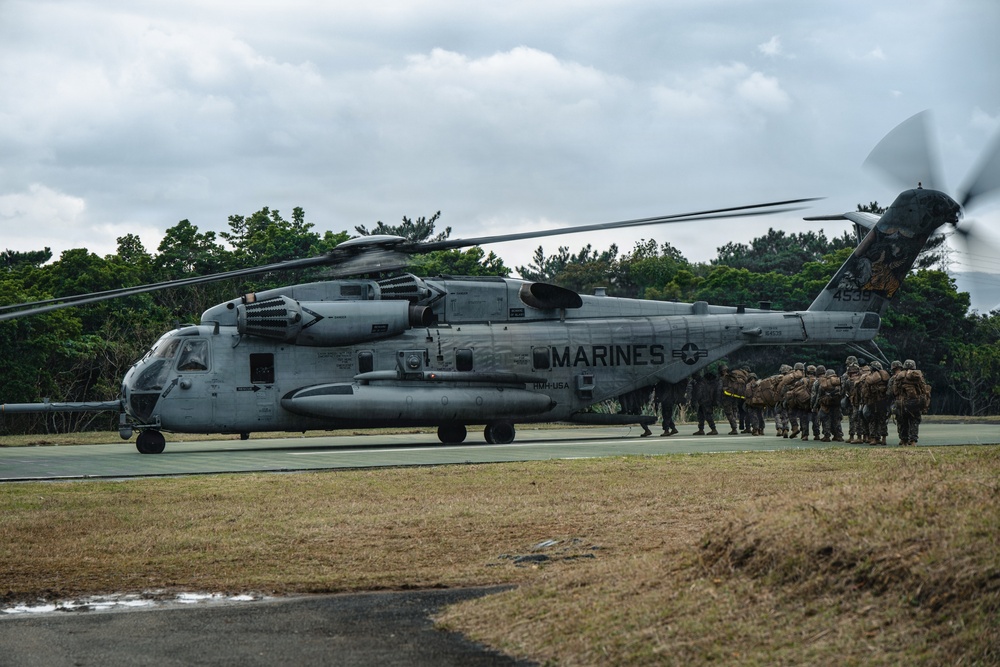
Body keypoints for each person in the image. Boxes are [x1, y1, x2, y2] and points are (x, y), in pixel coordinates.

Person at [891, 359, 931, 446]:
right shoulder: (917, 376)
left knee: (903, 422)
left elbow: (895, 391)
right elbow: (924, 389)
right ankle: (913, 441)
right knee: (914, 421)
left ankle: (904, 440)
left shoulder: (898, 377)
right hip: (915, 402)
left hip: (902, 403)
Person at [861, 360, 890, 445]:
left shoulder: (869, 377)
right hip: (882, 402)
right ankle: (883, 438)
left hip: (872, 401)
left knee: (872, 420)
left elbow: (864, 391)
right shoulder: (885, 377)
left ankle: (874, 438)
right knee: (882, 420)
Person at [812, 368, 844, 442]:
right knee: (837, 420)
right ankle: (838, 436)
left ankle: (827, 436)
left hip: (825, 405)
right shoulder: (838, 382)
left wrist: (815, 406)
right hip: (836, 405)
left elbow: (818, 396)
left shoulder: (824, 383)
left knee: (826, 420)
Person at [719, 364, 750, 435]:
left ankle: (734, 428)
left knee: (729, 413)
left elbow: (719, 389)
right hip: (735, 397)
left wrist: (718, 400)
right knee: (734, 411)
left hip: (726, 398)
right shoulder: (733, 377)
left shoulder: (723, 378)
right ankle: (735, 424)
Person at [689, 370, 720, 435]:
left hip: (705, 401)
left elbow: (698, 393)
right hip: (703, 401)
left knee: (707, 416)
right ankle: (701, 429)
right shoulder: (703, 382)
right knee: (700, 416)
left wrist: (694, 401)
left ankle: (713, 429)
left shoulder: (700, 383)